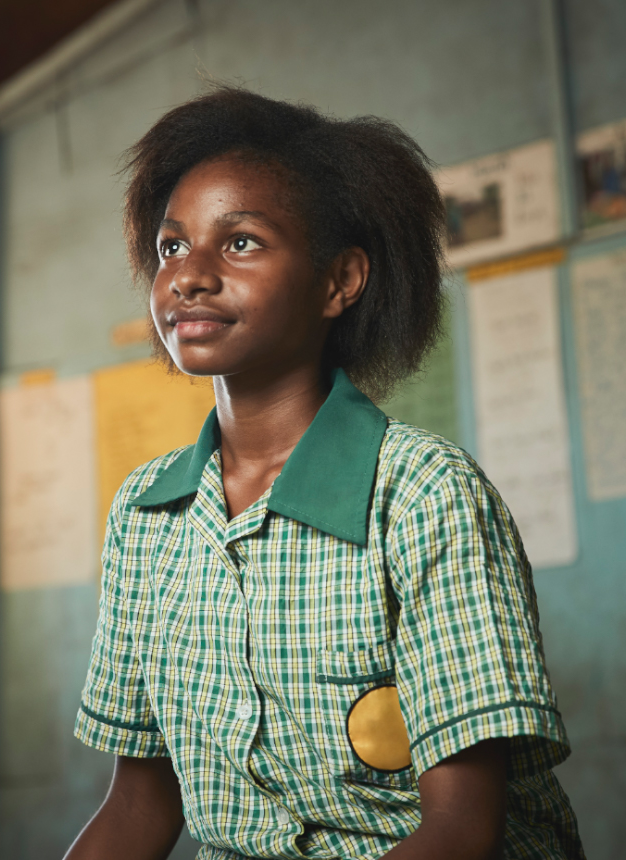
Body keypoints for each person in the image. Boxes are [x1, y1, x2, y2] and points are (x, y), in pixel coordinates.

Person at [65, 86, 584, 860]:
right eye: (172, 246)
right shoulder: (145, 513)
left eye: (239, 242)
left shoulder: (423, 493)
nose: (189, 275)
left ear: (340, 280)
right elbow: (138, 807)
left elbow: (460, 831)